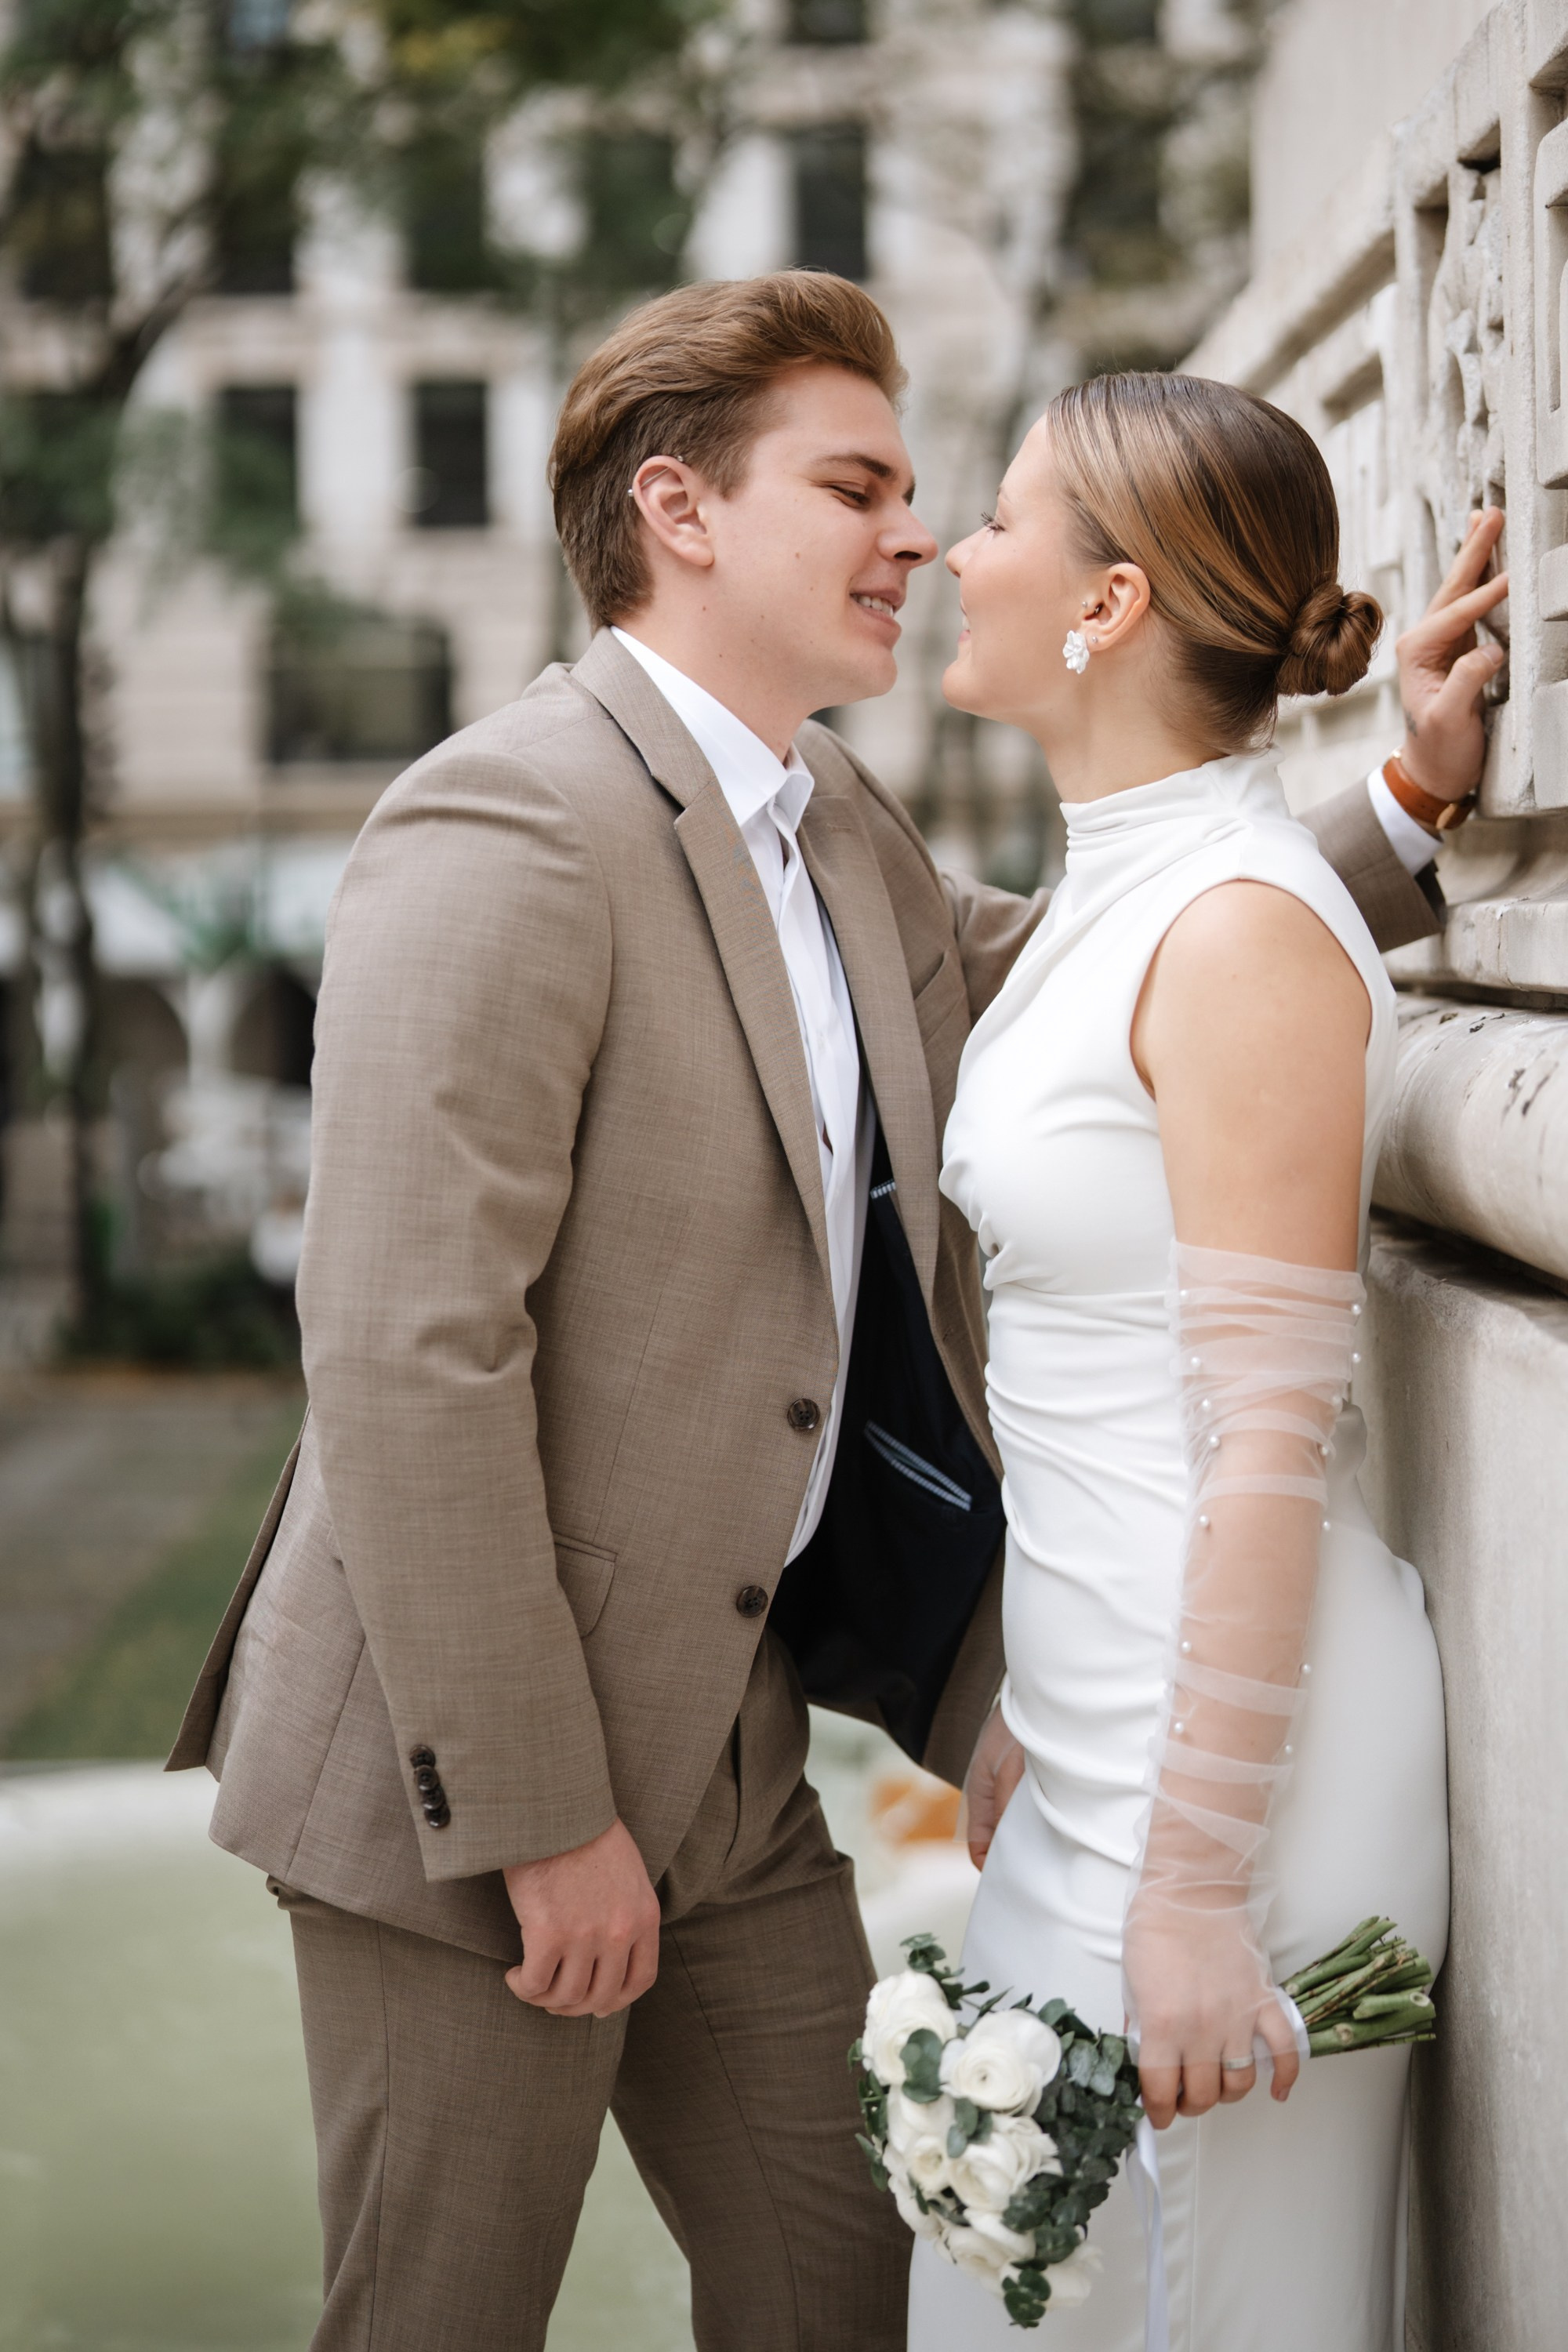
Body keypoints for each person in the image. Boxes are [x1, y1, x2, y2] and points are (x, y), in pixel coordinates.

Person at [166, 272, 1500, 2352]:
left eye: (926, 491)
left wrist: (1397, 816)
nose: (920, 529)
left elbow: (1107, 977)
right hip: (471, 1795)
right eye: (860, 484)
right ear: (684, 512)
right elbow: (410, 1360)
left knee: (851, 2281)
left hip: (732, 1774)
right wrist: (538, 1828)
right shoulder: (505, 819)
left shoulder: (828, 819)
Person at [909, 373, 1489, 2352]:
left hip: (1231, 1794)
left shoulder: (1233, 931)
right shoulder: (1127, 881)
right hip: (1084, 1753)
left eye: (997, 521)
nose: (951, 557)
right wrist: (1023, 1707)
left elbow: (1261, 1445)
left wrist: (1184, 1900)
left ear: (1109, 604)